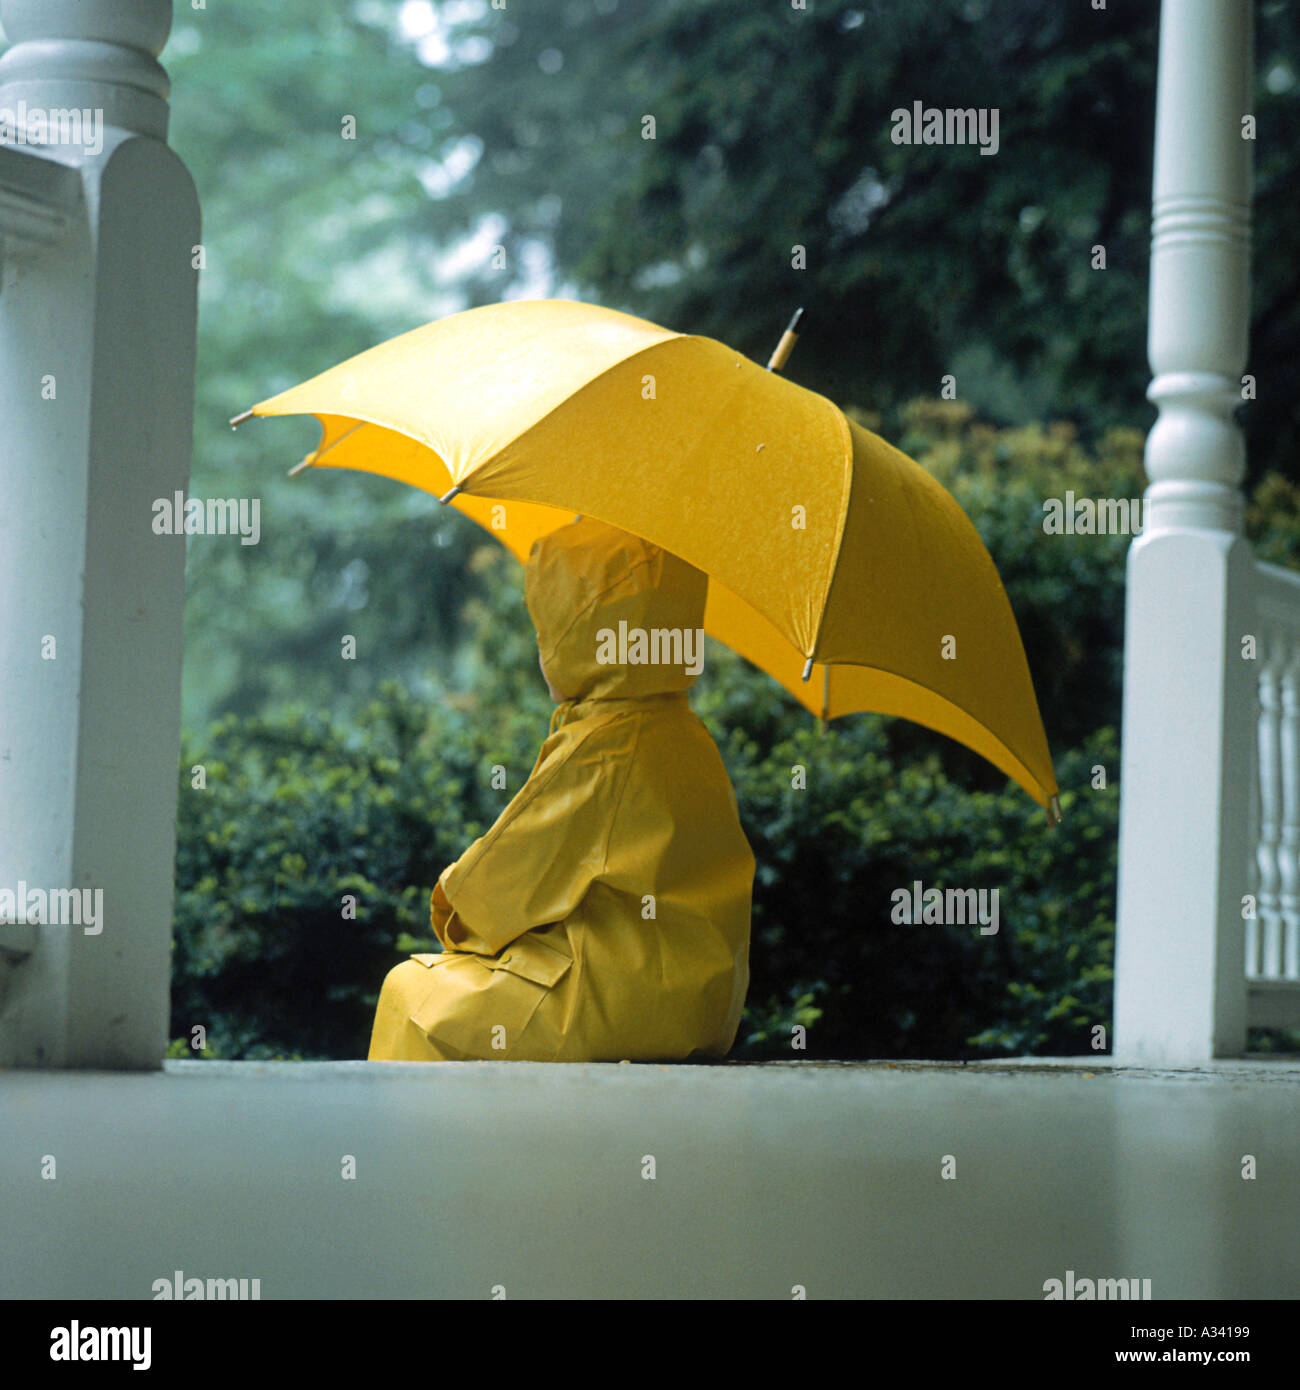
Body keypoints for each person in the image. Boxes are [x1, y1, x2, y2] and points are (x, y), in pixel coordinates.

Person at [367, 517, 755, 1062]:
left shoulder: (604, 745)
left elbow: (494, 892)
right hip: (695, 1004)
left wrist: (452, 904)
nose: (540, 644)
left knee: (413, 993)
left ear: (580, 636)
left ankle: (429, 1149)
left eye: (547, 627)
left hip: (617, 1003)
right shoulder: (686, 735)